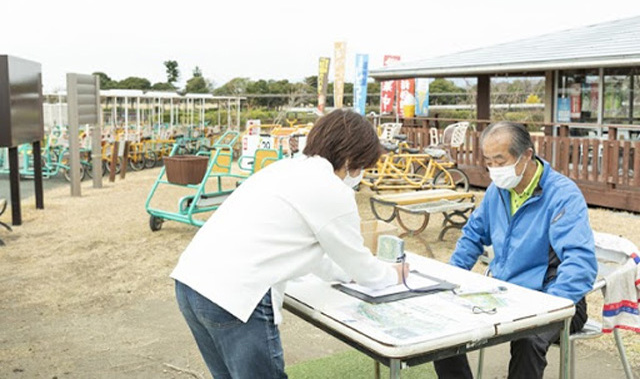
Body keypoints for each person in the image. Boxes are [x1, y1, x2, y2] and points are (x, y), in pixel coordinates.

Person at [171, 109, 409, 379]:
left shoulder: (284, 168)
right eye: (361, 165)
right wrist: (393, 275)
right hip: (235, 295)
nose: (359, 173)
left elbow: (321, 256)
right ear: (350, 157)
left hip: (191, 282)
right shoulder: (331, 189)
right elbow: (359, 263)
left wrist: (347, 275)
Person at [433, 121, 598, 379]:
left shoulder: (562, 195)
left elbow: (580, 263)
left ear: (526, 156)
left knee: (528, 339)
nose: (494, 170)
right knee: (444, 323)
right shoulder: (496, 191)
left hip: (556, 298)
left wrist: (549, 306)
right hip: (507, 292)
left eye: (500, 161)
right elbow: (472, 236)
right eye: (488, 161)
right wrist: (453, 277)